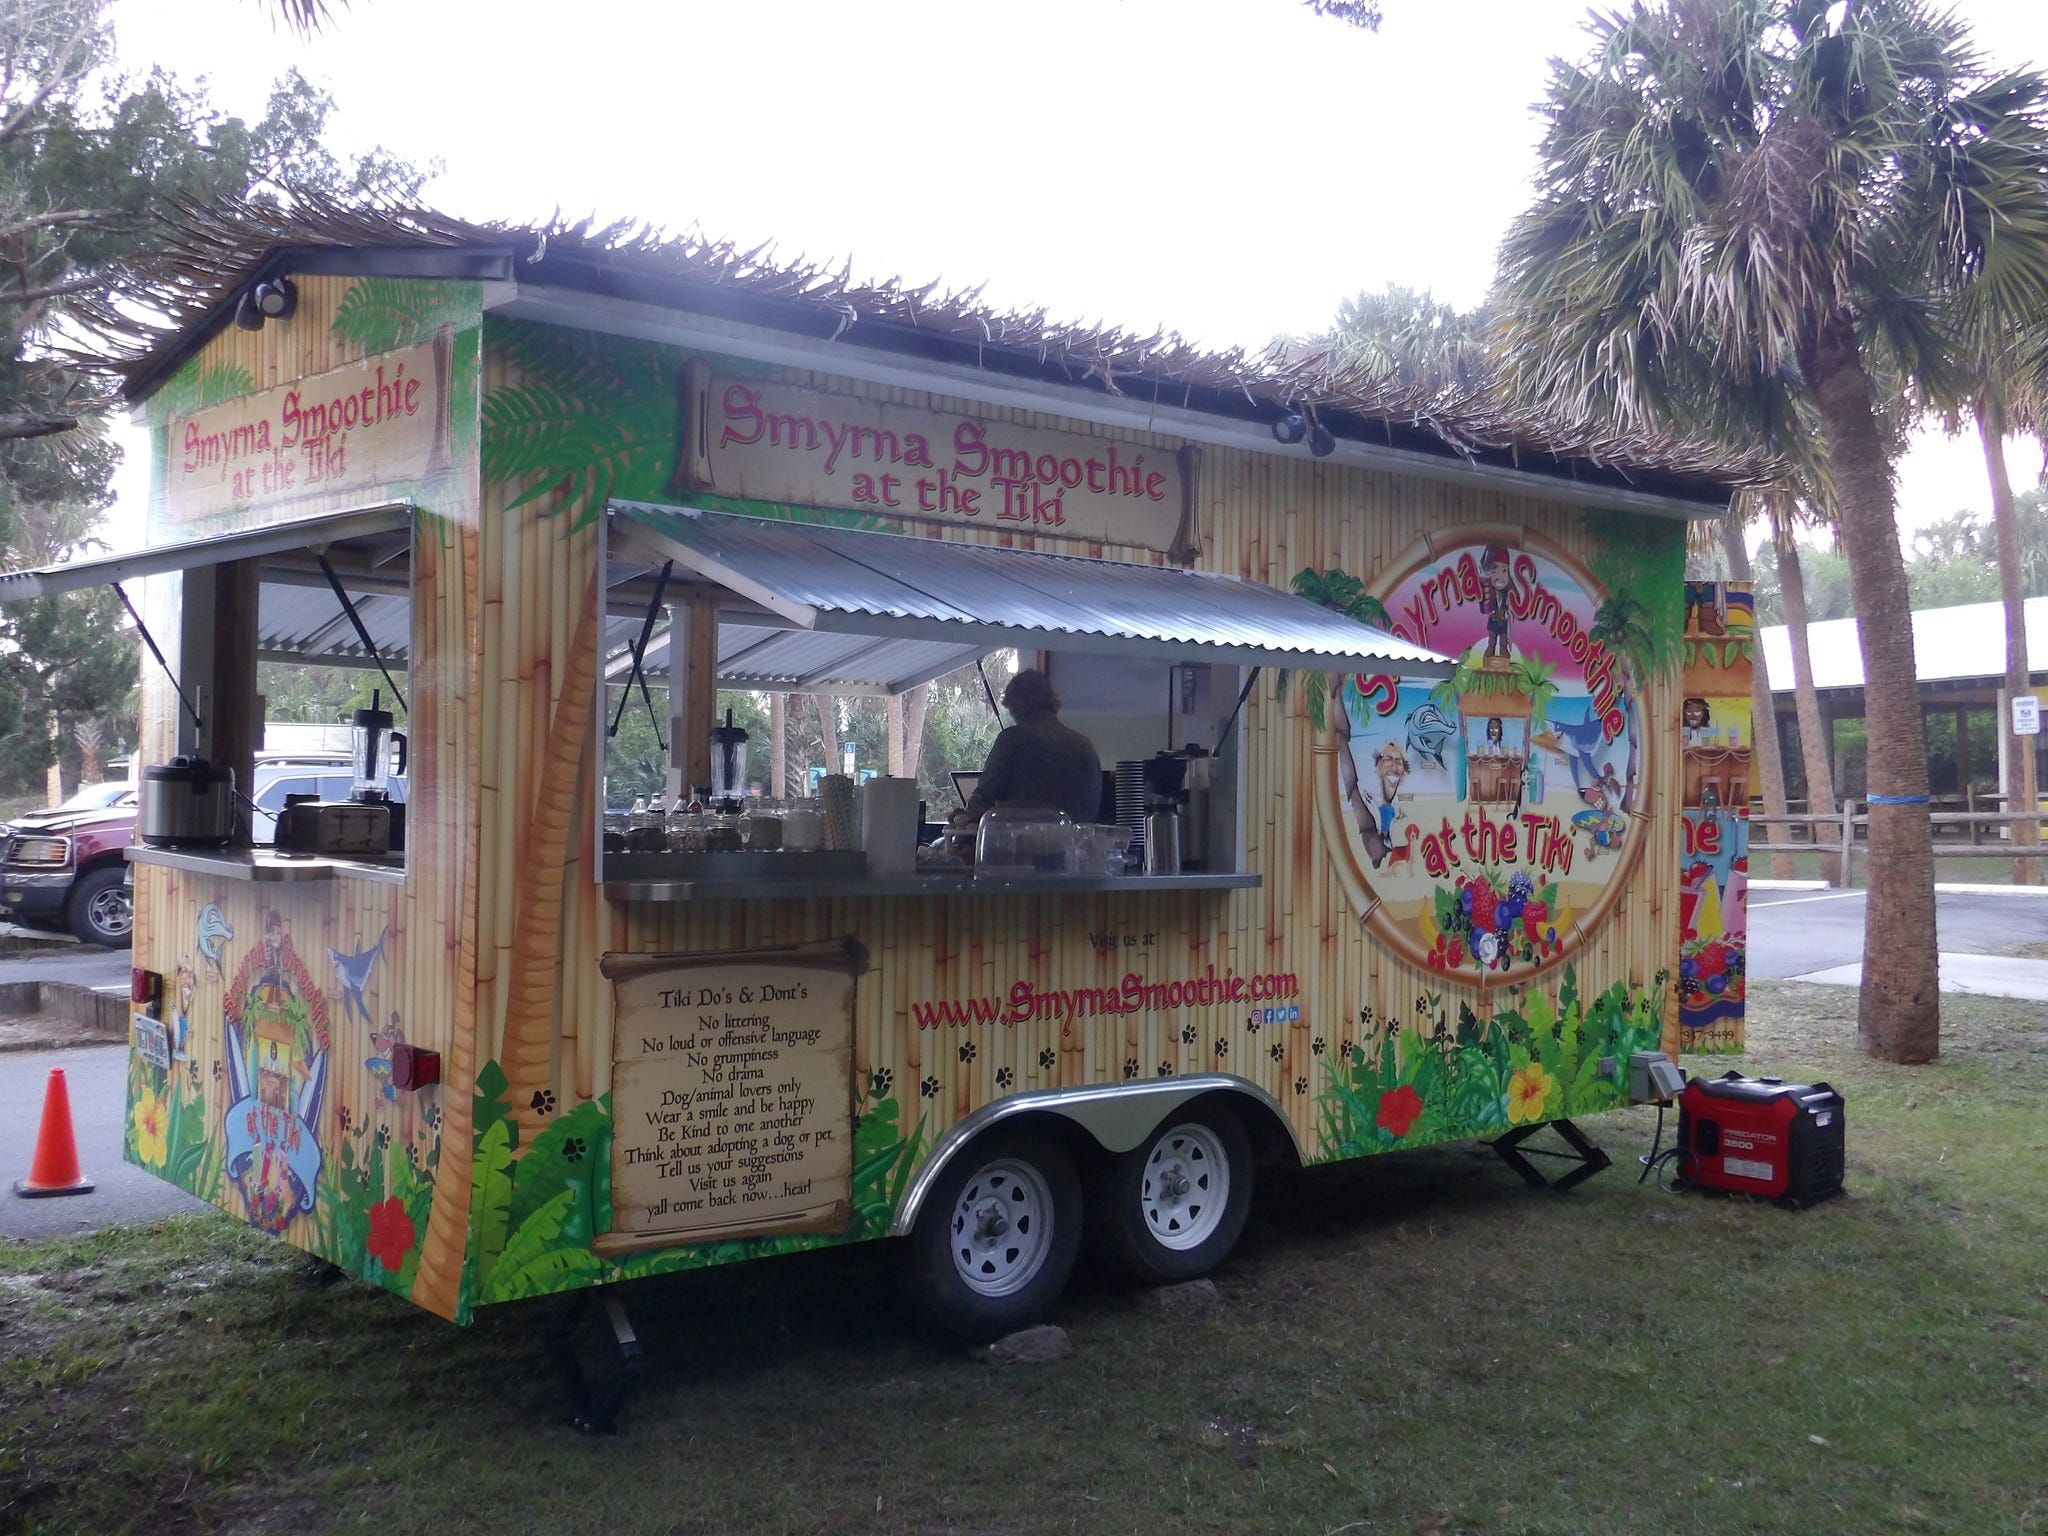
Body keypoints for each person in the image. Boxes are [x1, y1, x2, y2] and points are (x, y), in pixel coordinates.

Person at [959, 669, 1102, 825]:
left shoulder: (1012, 739)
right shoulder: (1084, 746)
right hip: (1072, 845)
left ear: (1017, 706)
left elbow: (983, 798)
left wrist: (961, 832)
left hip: (1019, 846)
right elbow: (1091, 811)